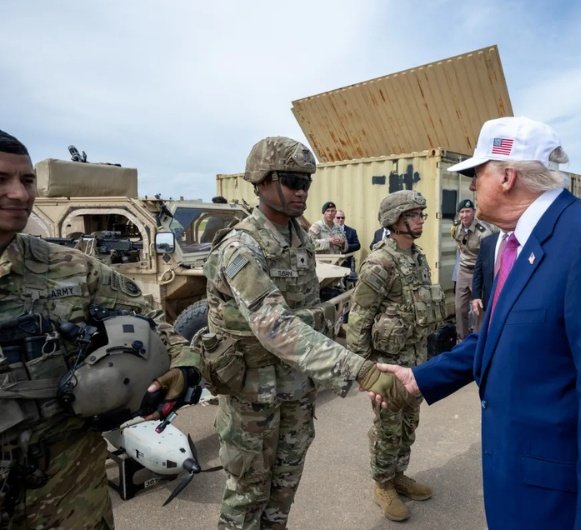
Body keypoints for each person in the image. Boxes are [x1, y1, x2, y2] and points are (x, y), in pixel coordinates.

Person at [373, 117, 581, 529]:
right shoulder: (516, 243)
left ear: (507, 176)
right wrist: (419, 378)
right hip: (522, 491)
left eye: (476, 174)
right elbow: (502, 336)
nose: (471, 187)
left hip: (565, 504)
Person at [201, 136, 407, 529]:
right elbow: (275, 325)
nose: (302, 190)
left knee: (283, 493)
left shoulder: (300, 239)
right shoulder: (242, 246)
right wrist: (360, 370)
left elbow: (307, 318)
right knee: (247, 498)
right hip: (252, 396)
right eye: (292, 180)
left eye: (307, 182)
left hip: (295, 389)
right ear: (261, 182)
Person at [0, 129, 200, 528]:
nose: (20, 195)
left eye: (26, 180)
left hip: (68, 485)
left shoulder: (71, 267)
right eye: (1, 181)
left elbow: (149, 319)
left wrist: (185, 365)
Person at [347, 190, 446, 522]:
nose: (421, 219)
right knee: (389, 427)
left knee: (409, 424)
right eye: (415, 214)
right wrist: (363, 370)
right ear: (396, 220)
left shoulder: (417, 258)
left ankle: (399, 473)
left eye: (422, 214)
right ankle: (383, 483)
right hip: (387, 364)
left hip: (416, 359)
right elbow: (358, 318)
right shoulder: (379, 262)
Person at [451, 199, 494, 340]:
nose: (465, 215)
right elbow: (459, 246)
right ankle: (462, 338)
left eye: (468, 211)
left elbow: (487, 258)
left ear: (474, 212)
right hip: (463, 270)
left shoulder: (483, 232)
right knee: (459, 307)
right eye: (462, 212)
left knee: (478, 309)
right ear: (458, 214)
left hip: (478, 271)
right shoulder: (456, 229)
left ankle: (477, 339)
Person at [470, 230, 501, 321]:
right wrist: (476, 296)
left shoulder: (522, 240)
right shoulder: (487, 241)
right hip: (490, 300)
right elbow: (478, 270)